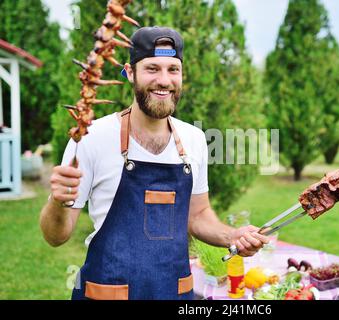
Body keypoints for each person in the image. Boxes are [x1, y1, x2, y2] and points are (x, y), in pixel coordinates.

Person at [39, 26, 269, 300]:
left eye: (173, 69)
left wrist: (233, 237)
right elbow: (56, 236)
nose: (164, 80)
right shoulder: (90, 138)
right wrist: (57, 200)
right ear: (130, 72)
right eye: (152, 69)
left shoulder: (194, 139)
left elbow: (198, 216)